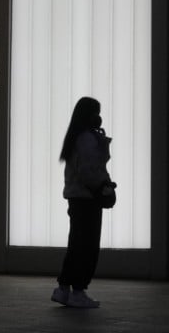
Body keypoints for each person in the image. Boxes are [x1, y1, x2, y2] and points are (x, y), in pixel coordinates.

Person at [51, 96, 114, 309]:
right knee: (87, 247)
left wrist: (102, 143)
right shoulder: (86, 139)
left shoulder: (76, 137)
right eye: (96, 112)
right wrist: (101, 188)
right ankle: (78, 290)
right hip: (88, 198)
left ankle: (64, 289)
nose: (99, 116)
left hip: (76, 198)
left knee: (76, 244)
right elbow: (90, 169)